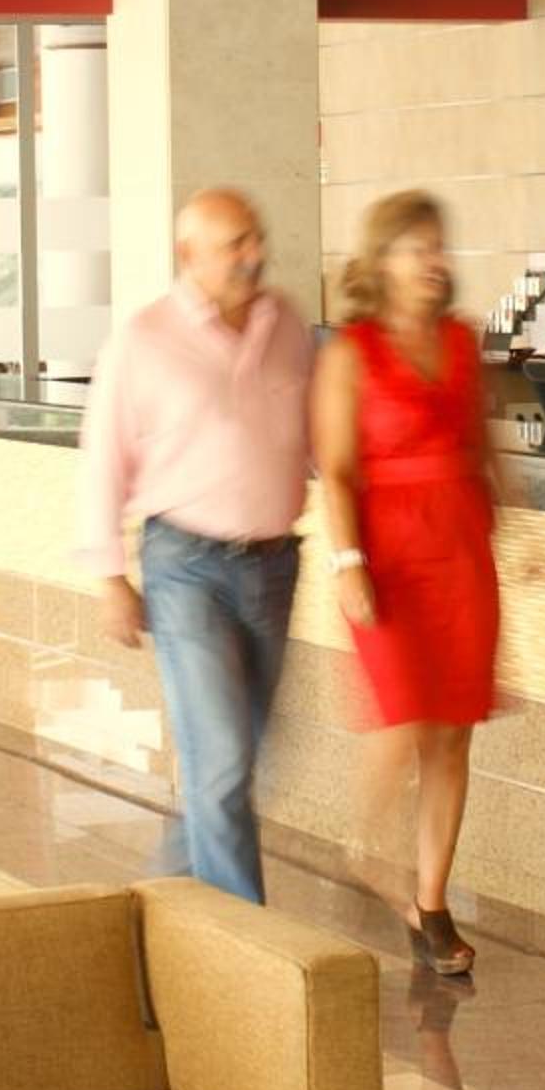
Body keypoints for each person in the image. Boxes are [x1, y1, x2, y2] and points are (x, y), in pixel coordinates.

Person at [73, 187, 312, 904]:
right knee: (224, 764)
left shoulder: (287, 323)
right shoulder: (144, 339)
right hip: (187, 570)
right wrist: (110, 577)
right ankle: (246, 944)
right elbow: (102, 460)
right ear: (189, 253)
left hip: (275, 567)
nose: (255, 254)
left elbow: (315, 435)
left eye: (256, 237)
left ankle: (157, 909)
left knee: (231, 764)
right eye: (236, 243)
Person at [312, 189, 501, 977]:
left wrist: (519, 531)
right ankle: (362, 848)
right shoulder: (350, 354)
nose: (434, 260)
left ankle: (431, 905)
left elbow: (484, 447)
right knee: (403, 719)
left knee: (453, 731)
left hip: (462, 551)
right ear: (382, 261)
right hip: (388, 557)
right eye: (417, 247)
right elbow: (335, 470)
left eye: (439, 246)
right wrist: (347, 562)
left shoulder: (461, 340)